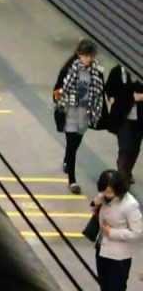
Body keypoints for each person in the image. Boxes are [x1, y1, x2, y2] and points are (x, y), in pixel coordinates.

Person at [54, 39, 107, 193]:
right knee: (71, 145)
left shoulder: (98, 71)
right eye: (85, 56)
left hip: (86, 113)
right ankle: (72, 180)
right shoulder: (70, 69)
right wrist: (60, 100)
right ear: (79, 54)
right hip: (71, 111)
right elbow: (59, 87)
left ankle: (66, 160)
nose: (88, 59)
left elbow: (99, 92)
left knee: (75, 144)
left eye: (90, 56)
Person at [91, 169, 142, 291]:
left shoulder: (130, 205)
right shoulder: (103, 197)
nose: (106, 195)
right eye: (104, 191)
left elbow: (137, 232)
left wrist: (112, 232)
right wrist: (96, 204)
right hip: (101, 248)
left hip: (119, 257)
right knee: (105, 289)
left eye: (109, 192)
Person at [105, 64, 143, 183]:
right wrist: (112, 98)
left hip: (139, 119)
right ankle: (121, 177)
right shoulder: (117, 71)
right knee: (125, 148)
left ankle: (127, 171)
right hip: (123, 118)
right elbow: (109, 89)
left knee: (135, 149)